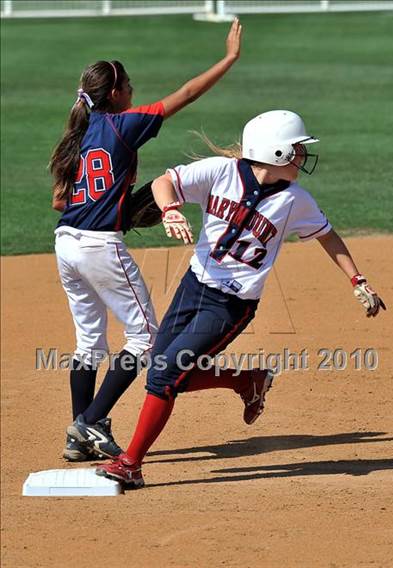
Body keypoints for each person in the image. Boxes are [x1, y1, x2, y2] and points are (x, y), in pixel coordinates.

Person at [95, 109, 386, 487]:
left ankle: (130, 464)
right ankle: (247, 381)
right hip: (193, 287)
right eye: (297, 148)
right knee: (167, 373)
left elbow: (327, 236)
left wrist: (357, 279)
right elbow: (164, 182)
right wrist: (170, 210)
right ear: (276, 153)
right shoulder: (220, 172)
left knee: (165, 374)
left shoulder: (295, 200)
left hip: (231, 305)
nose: (302, 156)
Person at [49, 18, 242, 462]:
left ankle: (80, 439)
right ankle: (89, 422)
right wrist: (229, 59)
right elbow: (187, 95)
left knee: (89, 343)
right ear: (114, 95)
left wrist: (116, 204)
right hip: (100, 247)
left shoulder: (74, 137)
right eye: (128, 85)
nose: (133, 90)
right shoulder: (123, 124)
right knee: (146, 339)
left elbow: (61, 201)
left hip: (66, 245)